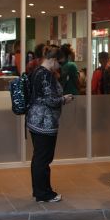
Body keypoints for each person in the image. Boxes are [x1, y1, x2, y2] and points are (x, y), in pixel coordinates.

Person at [26, 47, 74, 202]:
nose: (60, 66)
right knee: (43, 158)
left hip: (35, 120)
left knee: (39, 157)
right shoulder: (46, 75)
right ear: (53, 60)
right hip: (44, 122)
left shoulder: (37, 71)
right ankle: (43, 193)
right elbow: (50, 100)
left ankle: (40, 191)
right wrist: (64, 99)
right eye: (59, 63)